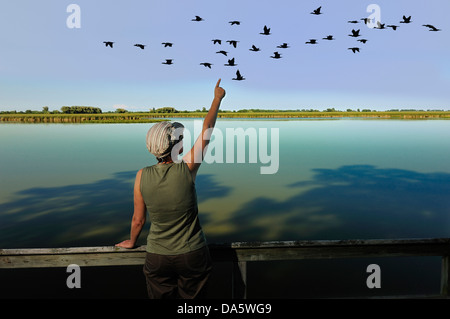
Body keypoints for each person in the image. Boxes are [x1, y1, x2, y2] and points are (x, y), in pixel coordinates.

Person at [116, 79, 226, 299]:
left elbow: (138, 219)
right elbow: (207, 129)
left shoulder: (141, 176)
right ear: (176, 145)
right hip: (192, 254)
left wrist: (132, 241)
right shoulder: (187, 168)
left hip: (157, 256)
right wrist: (217, 99)